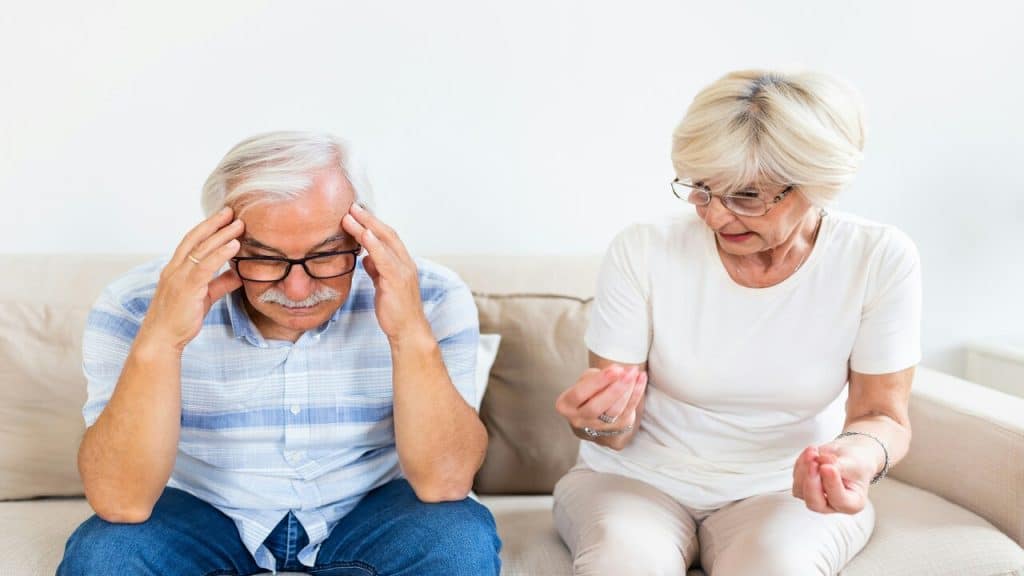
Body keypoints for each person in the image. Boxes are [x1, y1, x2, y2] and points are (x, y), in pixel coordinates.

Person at [58, 131, 501, 575]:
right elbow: (121, 502)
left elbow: (445, 483)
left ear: (362, 235)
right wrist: (161, 340)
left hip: (370, 512)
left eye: (325, 256)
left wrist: (409, 333)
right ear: (222, 243)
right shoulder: (134, 305)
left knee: (459, 541)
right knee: (106, 555)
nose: (297, 289)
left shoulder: (433, 296)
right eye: (266, 259)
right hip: (201, 513)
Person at [553, 70, 920, 575]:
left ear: (815, 183)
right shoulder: (644, 249)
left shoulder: (877, 257)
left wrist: (854, 457)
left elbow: (883, 416)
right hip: (635, 482)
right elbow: (613, 434)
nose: (716, 217)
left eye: (746, 196)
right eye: (702, 189)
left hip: (784, 491)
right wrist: (597, 423)